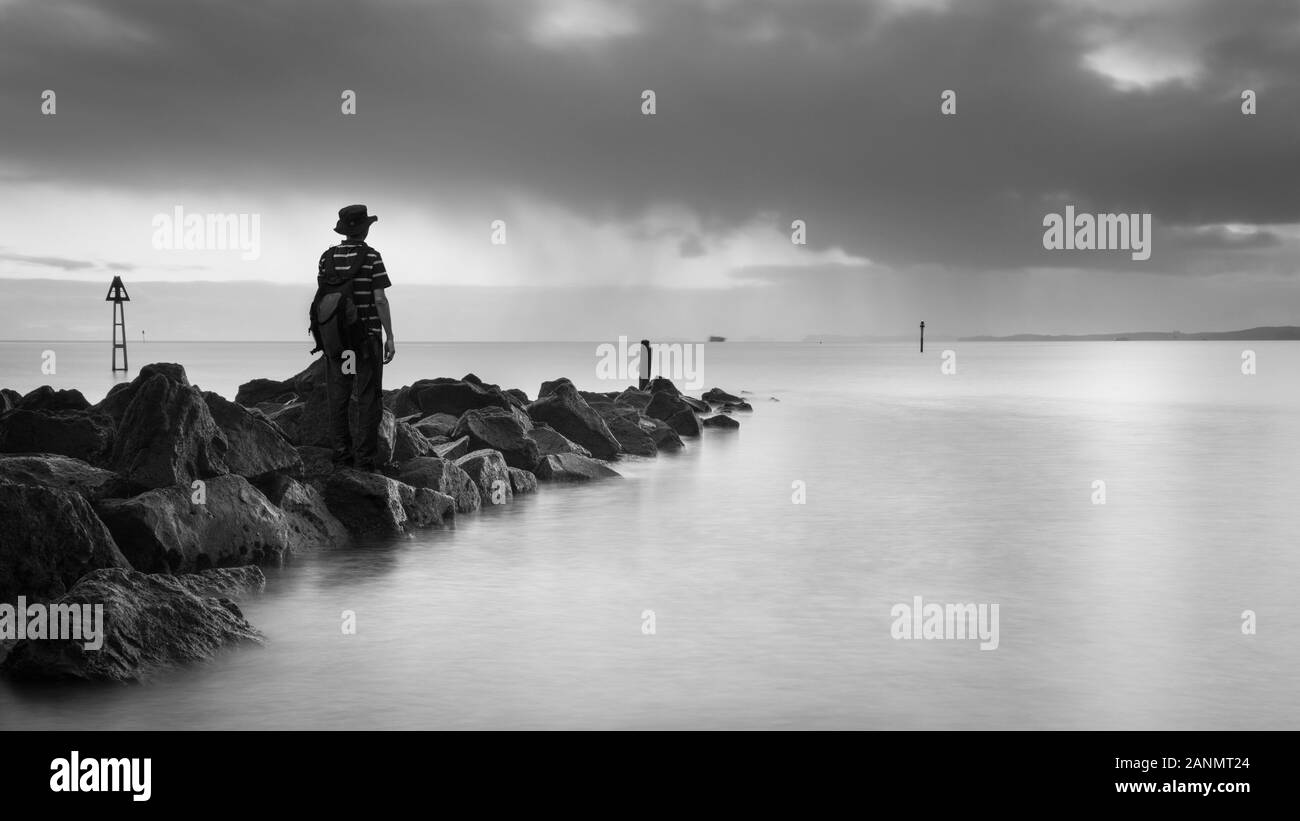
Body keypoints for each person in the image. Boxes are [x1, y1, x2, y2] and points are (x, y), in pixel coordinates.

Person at [319, 204, 395, 470]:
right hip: (366, 339)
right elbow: (380, 300)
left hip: (338, 341)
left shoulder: (326, 258)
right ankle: (365, 460)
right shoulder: (372, 257)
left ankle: (341, 457)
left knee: (338, 398)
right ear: (365, 230)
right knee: (368, 399)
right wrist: (390, 337)